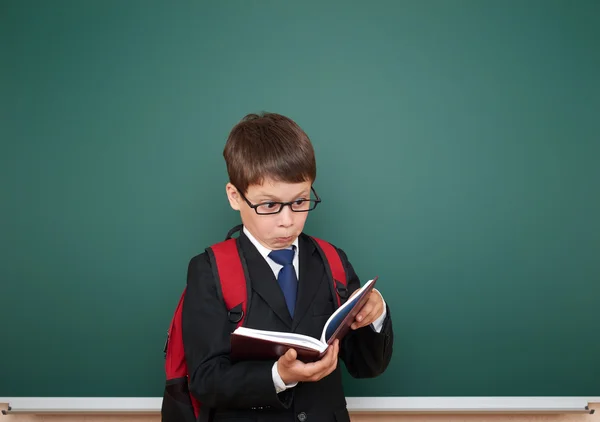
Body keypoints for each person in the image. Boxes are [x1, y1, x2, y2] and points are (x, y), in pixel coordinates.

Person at [182, 112, 394, 422]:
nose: (287, 220)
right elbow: (204, 379)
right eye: (269, 205)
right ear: (234, 197)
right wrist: (277, 376)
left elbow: (367, 366)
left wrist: (377, 316)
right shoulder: (209, 270)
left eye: (300, 201)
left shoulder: (332, 260)